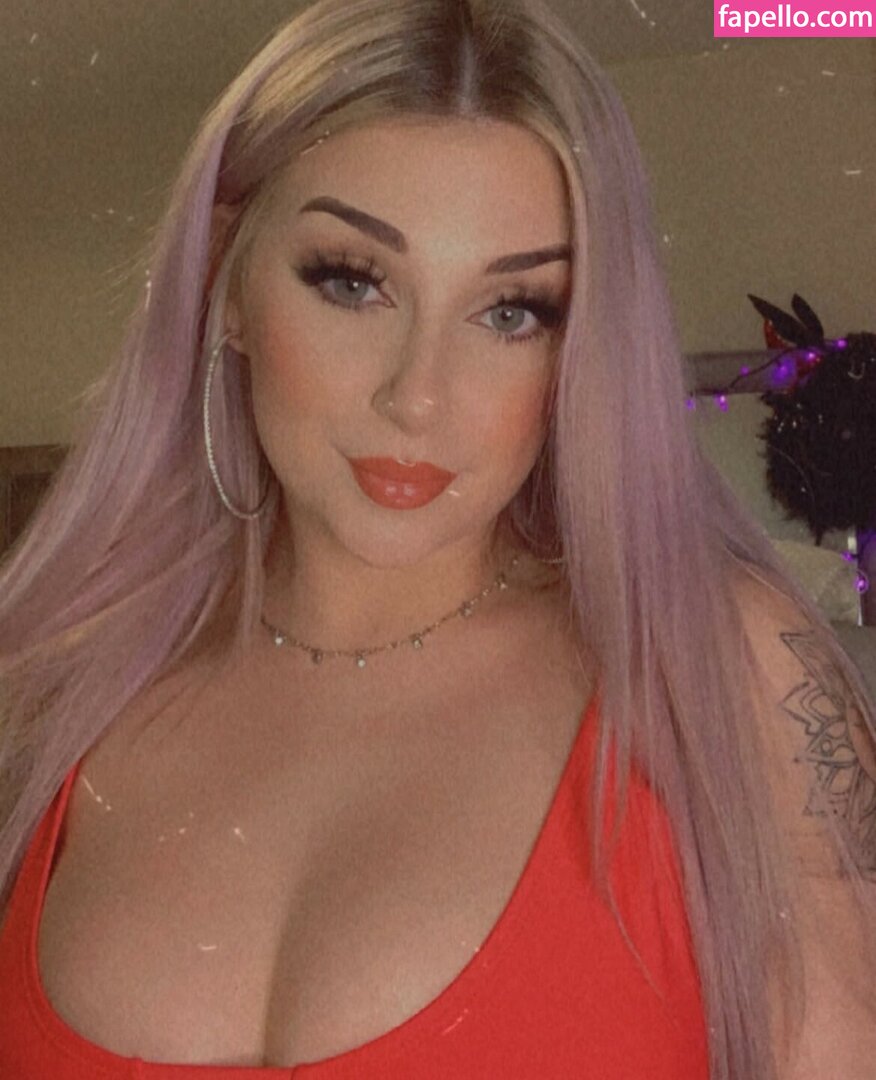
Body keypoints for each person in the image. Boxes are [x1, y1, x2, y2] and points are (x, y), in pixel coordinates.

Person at [0, 0, 874, 1076]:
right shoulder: (59, 690)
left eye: (512, 311)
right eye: (352, 281)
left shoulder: (725, 668)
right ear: (225, 278)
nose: (419, 397)